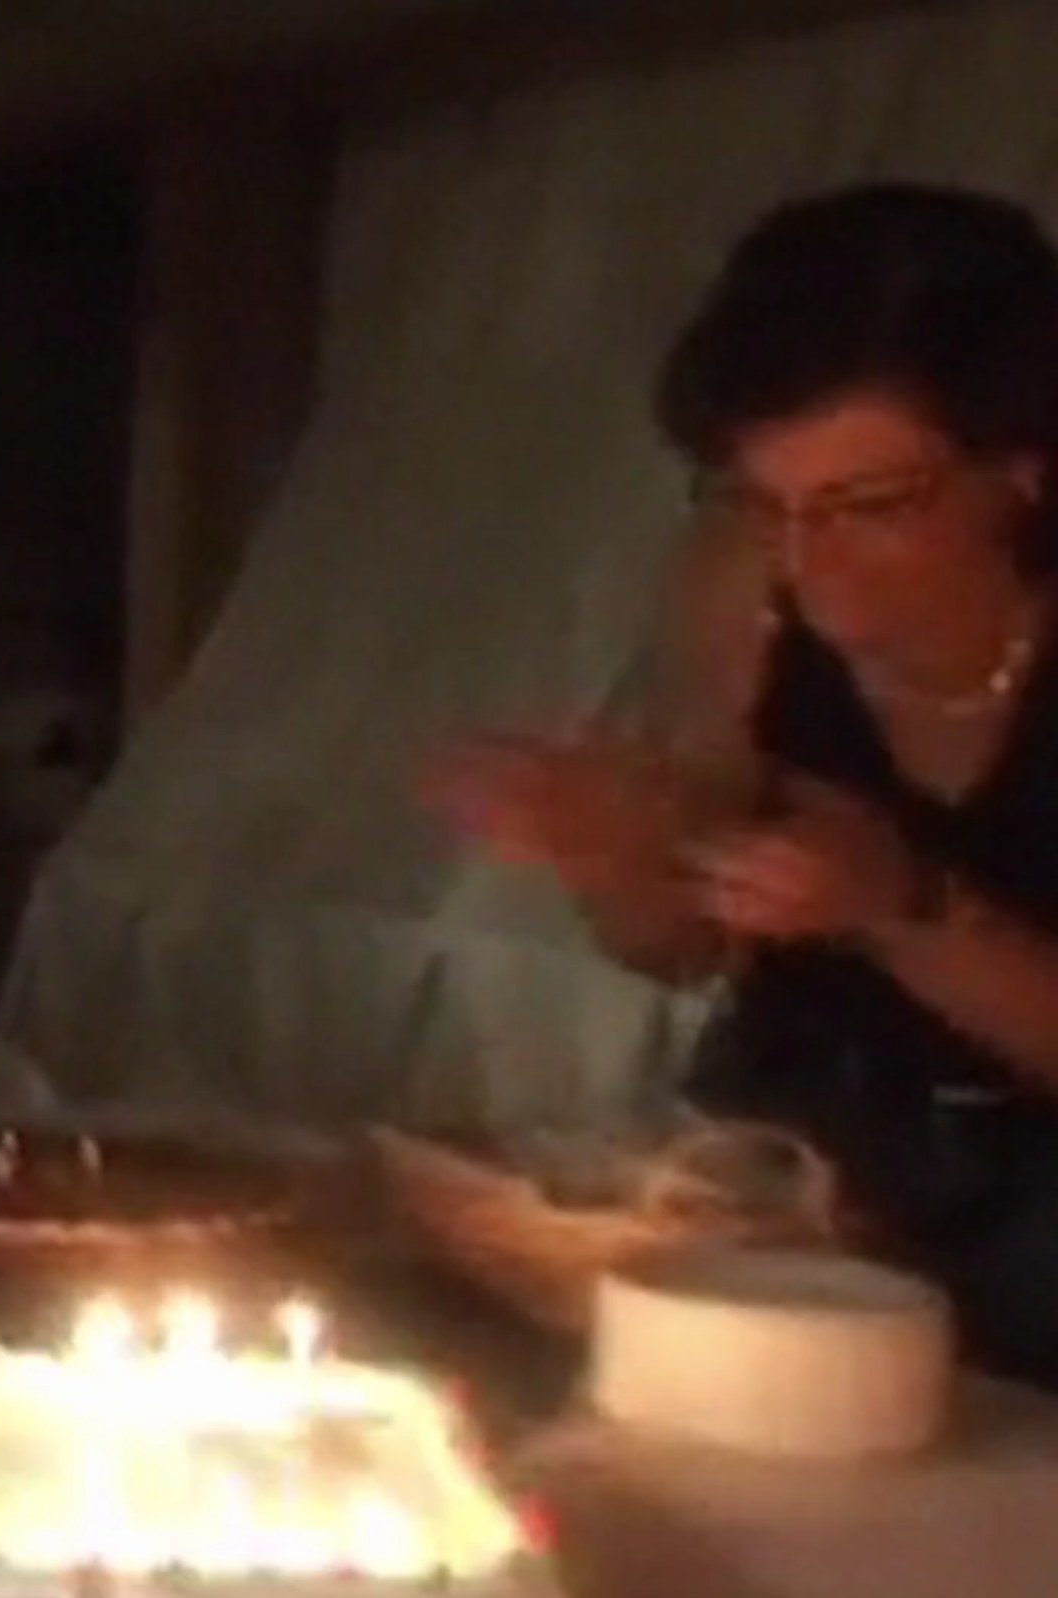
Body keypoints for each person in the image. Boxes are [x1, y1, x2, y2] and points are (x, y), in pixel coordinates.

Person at [433, 184, 1058, 1386]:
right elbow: (678, 947)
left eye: (872, 505)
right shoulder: (743, 589)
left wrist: (907, 907)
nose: (811, 565)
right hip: (807, 1149)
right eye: (767, 504)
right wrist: (615, 854)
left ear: (1019, 470)